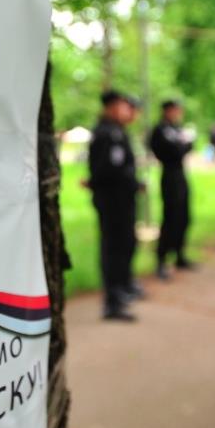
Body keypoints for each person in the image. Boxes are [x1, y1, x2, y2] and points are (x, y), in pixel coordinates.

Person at [88, 90, 144, 321]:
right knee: (113, 248)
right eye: (123, 106)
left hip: (122, 199)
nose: (128, 111)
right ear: (111, 107)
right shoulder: (107, 133)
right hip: (112, 201)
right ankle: (112, 301)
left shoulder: (117, 132)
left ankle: (121, 289)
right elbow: (107, 170)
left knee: (125, 244)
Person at [149, 99, 196, 278]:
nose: (178, 113)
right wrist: (183, 145)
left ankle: (179, 254)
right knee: (171, 217)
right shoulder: (161, 129)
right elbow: (175, 151)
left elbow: (187, 146)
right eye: (175, 110)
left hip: (180, 174)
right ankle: (161, 259)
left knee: (184, 216)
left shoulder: (177, 129)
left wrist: (183, 146)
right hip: (169, 176)